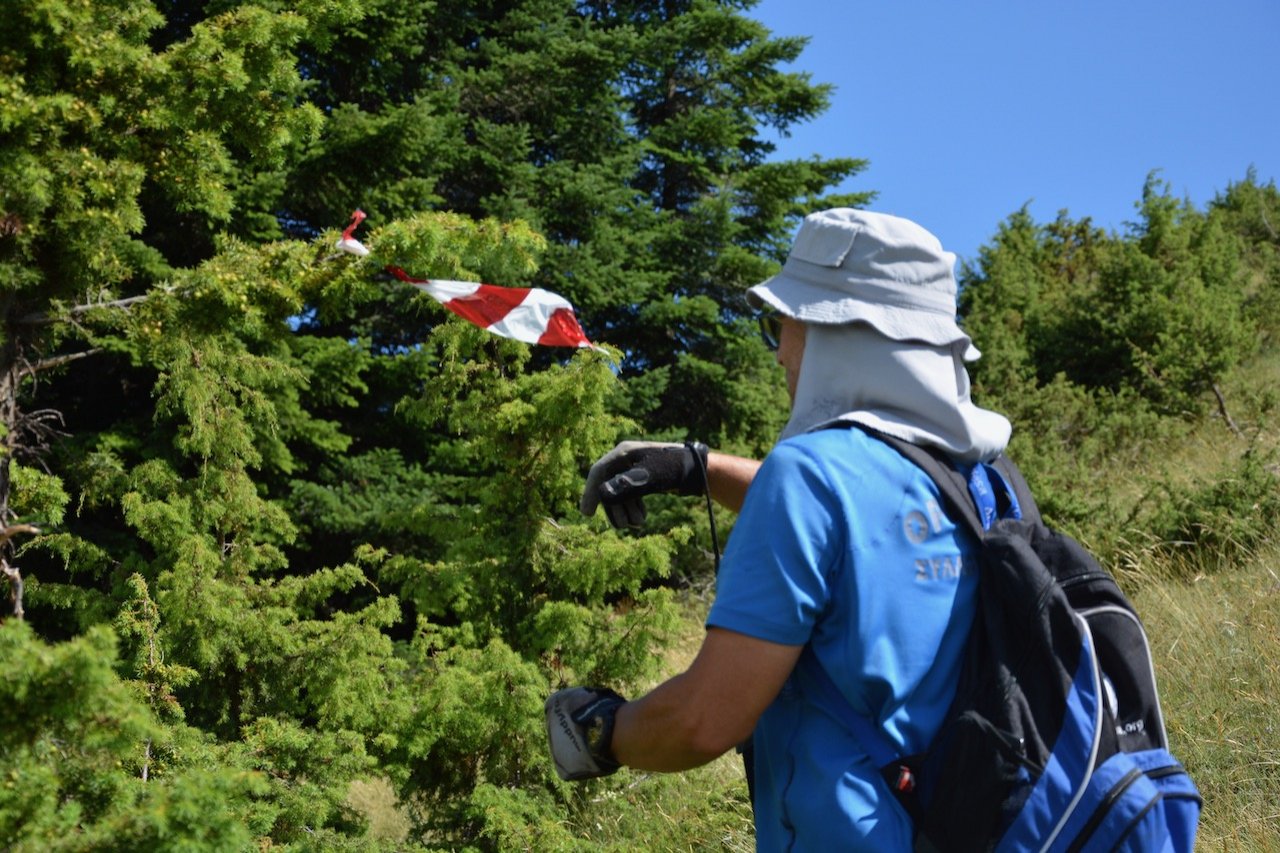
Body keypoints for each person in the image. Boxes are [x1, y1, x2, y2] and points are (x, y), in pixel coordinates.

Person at [545, 208, 1015, 850]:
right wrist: (696, 469)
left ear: (838, 333)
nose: (781, 354)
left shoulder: (809, 477)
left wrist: (599, 732)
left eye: (782, 325)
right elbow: (864, 519)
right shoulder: (987, 480)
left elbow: (706, 720)